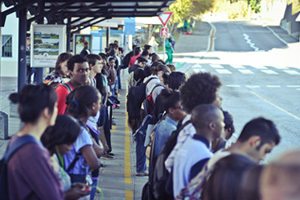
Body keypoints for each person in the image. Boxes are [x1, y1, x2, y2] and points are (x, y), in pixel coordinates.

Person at [177, 117, 281, 199]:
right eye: (265, 151)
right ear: (255, 142)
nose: (263, 157)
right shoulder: (234, 167)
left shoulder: (220, 156)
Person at [7, 84, 63, 199]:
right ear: (46, 112)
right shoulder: (33, 152)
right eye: (56, 106)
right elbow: (55, 196)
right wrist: (55, 170)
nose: (57, 110)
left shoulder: (17, 139)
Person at [165, 72, 222, 173]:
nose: (220, 99)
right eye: (217, 96)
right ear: (207, 101)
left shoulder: (189, 125)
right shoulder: (194, 130)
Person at [173, 104, 225, 197]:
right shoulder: (203, 156)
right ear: (212, 125)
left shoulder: (186, 145)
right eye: (221, 121)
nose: (224, 125)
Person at [41, 115, 89, 199]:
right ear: (59, 138)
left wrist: (72, 187)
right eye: (68, 143)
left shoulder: (54, 157)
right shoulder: (41, 161)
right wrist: (66, 195)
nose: (69, 148)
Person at [64, 85, 101, 184]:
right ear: (92, 105)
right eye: (99, 103)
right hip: (76, 178)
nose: (100, 106)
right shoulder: (81, 131)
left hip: (66, 175)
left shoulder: (69, 123)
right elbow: (95, 162)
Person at [154, 89, 186, 157]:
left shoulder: (164, 122)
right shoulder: (170, 130)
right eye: (182, 108)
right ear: (171, 110)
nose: (186, 111)